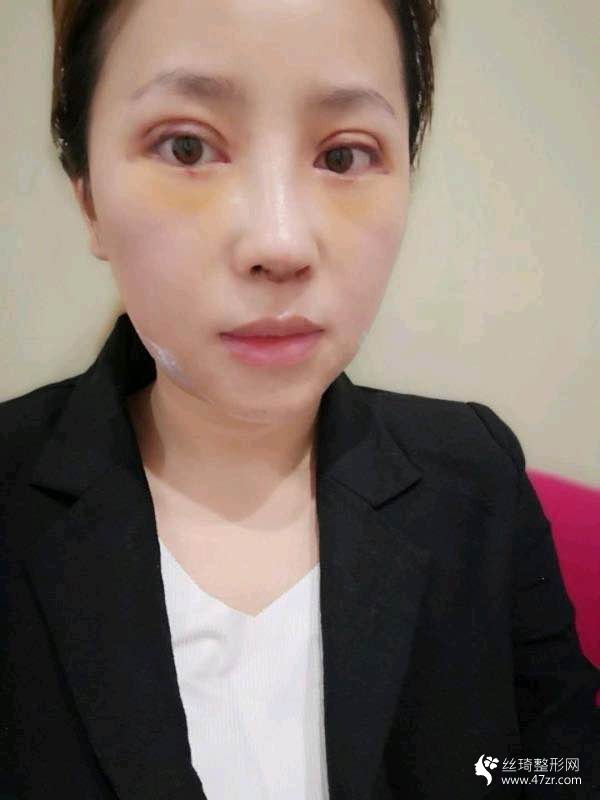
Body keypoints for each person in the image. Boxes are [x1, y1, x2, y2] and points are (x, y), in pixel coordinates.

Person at [1, 1, 598, 798]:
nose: (279, 244)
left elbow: (561, 764)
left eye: (344, 155)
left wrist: (489, 776)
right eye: (186, 146)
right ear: (89, 197)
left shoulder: (474, 474)